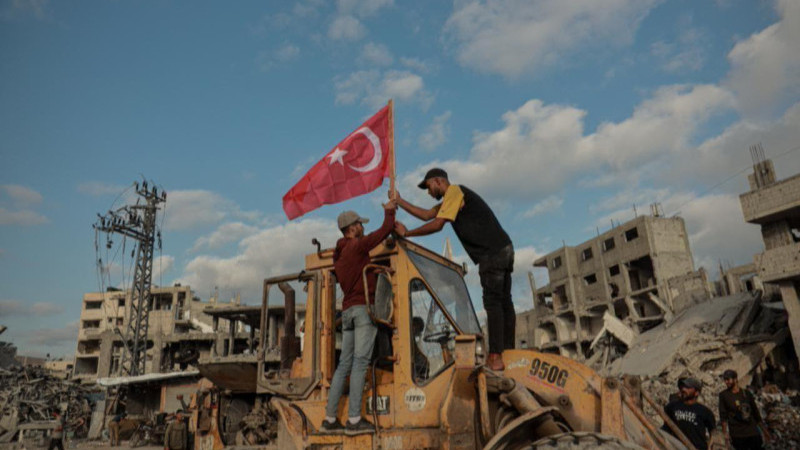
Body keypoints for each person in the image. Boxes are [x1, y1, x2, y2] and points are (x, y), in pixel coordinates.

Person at [394, 167, 514, 370]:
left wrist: (408, 234)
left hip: (491, 253)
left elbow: (437, 224)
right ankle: (509, 352)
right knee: (504, 302)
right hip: (503, 248)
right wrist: (400, 201)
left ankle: (495, 357)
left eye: (429, 187)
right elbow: (427, 215)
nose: (428, 192)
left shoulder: (454, 192)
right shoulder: (452, 199)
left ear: (438, 181)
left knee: (493, 302)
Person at [320, 201, 396, 435]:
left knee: (344, 364)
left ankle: (329, 419)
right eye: (360, 225)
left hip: (348, 313)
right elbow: (384, 230)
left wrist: (373, 269)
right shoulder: (356, 246)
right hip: (363, 311)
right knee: (361, 363)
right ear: (352, 228)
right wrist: (390, 210)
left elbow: (356, 272)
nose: (363, 228)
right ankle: (354, 420)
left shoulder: (339, 256)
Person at [719, 369, 771, 450]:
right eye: (725, 380)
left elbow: (756, 413)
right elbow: (723, 416)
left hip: (752, 432)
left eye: (728, 379)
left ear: (735, 379)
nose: (726, 382)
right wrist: (725, 434)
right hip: (737, 434)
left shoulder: (747, 393)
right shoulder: (723, 395)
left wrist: (764, 431)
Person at [662, 377, 716, 450]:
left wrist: (710, 446)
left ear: (696, 393)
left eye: (688, 387)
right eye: (683, 387)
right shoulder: (672, 406)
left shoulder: (704, 411)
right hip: (676, 447)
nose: (683, 389)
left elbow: (713, 431)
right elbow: (666, 425)